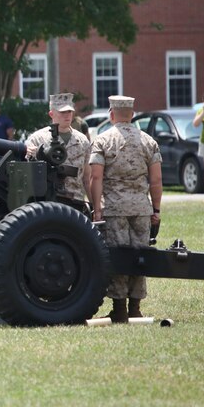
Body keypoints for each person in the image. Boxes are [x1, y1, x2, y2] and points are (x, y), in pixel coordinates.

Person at [88, 95, 163, 323]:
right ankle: (136, 307)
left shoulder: (102, 140)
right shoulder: (148, 141)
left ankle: (119, 308)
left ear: (111, 114)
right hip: (141, 208)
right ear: (132, 114)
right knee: (140, 255)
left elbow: (95, 177)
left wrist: (96, 209)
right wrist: (156, 209)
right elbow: (157, 180)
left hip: (113, 209)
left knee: (118, 256)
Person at [24, 93, 91, 212]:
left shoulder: (82, 141)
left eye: (69, 112)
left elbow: (87, 178)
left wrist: (95, 207)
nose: (67, 116)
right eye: (62, 112)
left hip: (76, 204)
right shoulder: (37, 139)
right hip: (48, 204)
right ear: (51, 114)